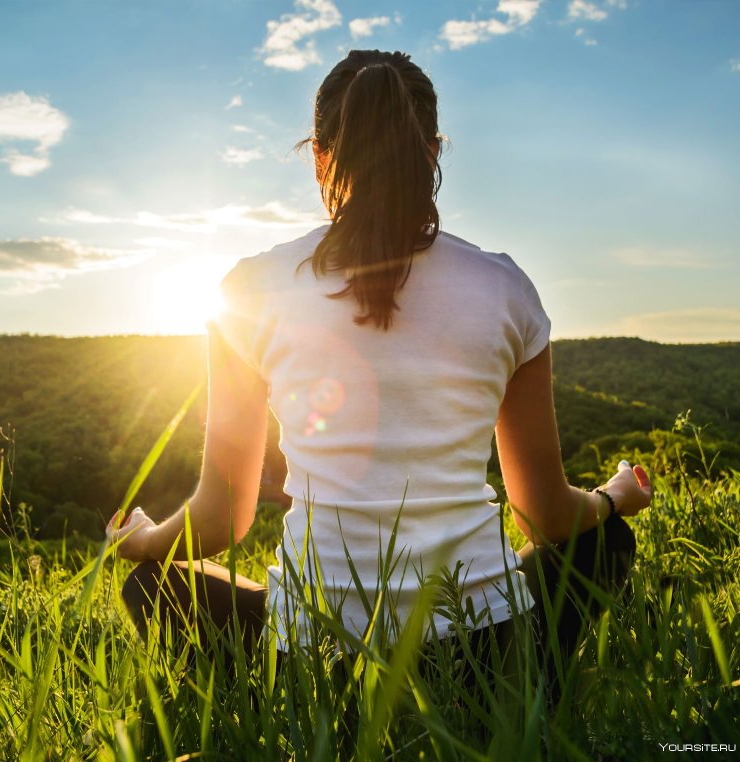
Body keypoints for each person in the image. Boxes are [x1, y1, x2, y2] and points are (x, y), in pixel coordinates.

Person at [110, 49, 652, 683]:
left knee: (153, 584)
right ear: (432, 152)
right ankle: (514, 691)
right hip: (491, 657)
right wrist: (614, 498)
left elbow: (221, 519)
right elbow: (546, 518)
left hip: (314, 665)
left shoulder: (249, 290)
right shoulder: (505, 287)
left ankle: (284, 699)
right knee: (599, 540)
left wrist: (141, 539)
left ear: (319, 154)